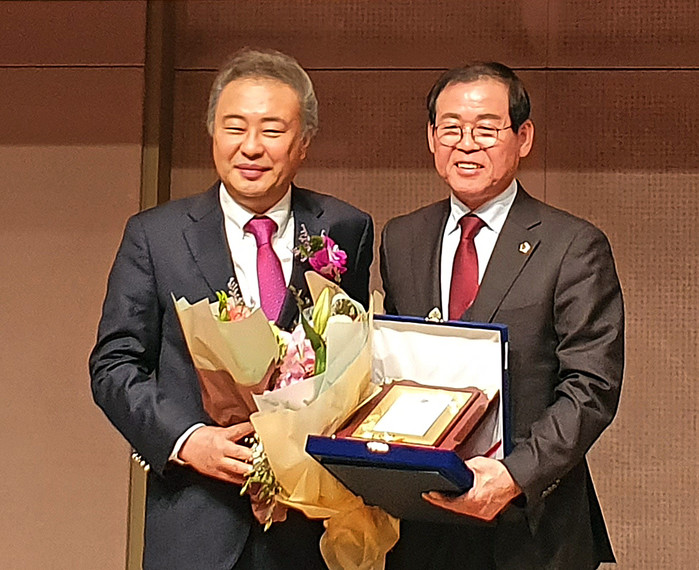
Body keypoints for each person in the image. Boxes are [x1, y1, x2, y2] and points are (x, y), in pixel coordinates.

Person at [90, 48, 373, 570]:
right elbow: (114, 366)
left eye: (272, 130)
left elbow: (354, 361)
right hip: (195, 521)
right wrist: (187, 439)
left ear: (304, 142)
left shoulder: (344, 228)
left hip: (308, 527)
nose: (251, 147)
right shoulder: (156, 236)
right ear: (213, 133)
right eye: (234, 127)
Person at [380, 62, 624, 569]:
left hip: (533, 530)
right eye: (451, 128)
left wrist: (514, 477)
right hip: (425, 526)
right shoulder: (402, 238)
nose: (467, 144)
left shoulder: (573, 245)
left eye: (487, 129)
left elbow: (592, 387)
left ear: (523, 137)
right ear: (431, 137)